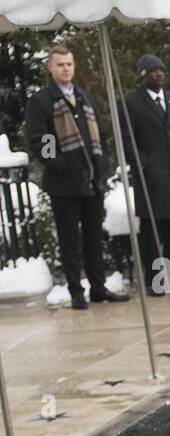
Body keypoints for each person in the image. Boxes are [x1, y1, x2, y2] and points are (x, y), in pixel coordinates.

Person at [23, 44, 127, 309]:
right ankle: (76, 291)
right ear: (50, 67)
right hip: (64, 184)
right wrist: (58, 163)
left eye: (69, 64)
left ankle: (98, 287)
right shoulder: (42, 101)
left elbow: (101, 135)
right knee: (69, 239)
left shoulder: (84, 97)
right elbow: (39, 139)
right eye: (60, 64)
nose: (66, 68)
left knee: (93, 237)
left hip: (92, 180)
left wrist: (102, 163)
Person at [120, 53, 170, 295]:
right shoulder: (131, 102)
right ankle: (154, 281)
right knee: (152, 232)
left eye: (161, 69)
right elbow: (126, 140)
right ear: (143, 75)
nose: (159, 74)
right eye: (153, 70)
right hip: (150, 180)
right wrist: (144, 164)